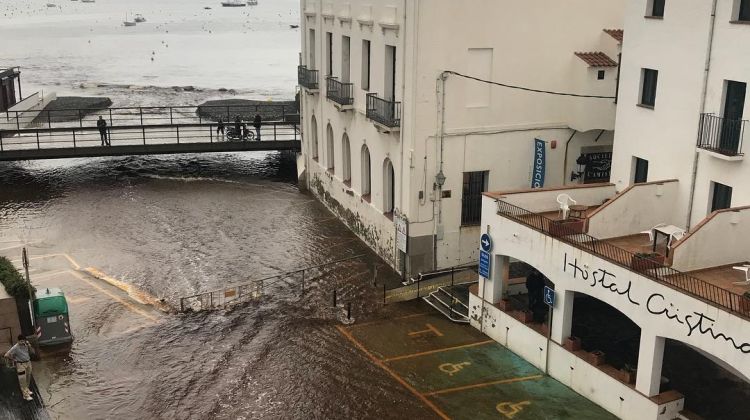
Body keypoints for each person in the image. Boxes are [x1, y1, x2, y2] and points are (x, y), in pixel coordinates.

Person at [4, 335, 34, 401]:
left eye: (23, 341)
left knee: (28, 377)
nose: (22, 342)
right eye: (21, 341)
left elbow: (32, 352)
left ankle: (27, 390)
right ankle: (25, 395)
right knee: (22, 379)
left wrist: (29, 345)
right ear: (18, 341)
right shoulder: (15, 347)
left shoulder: (26, 345)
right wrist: (14, 359)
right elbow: (6, 355)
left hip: (28, 363)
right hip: (20, 364)